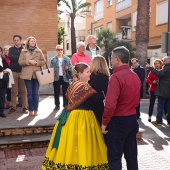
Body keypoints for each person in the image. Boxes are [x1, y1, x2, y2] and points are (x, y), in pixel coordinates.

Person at [42, 62, 108, 169]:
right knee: (84, 144)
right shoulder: (85, 87)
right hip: (84, 119)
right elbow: (98, 99)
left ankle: (71, 164)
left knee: (70, 144)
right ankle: (84, 164)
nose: (89, 74)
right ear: (80, 74)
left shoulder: (73, 84)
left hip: (71, 117)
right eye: (87, 72)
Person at [101, 46, 141, 170]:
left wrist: (104, 123)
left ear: (117, 59)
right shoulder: (134, 76)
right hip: (132, 119)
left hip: (118, 121)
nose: (111, 61)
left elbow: (111, 105)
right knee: (131, 157)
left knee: (114, 158)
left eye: (111, 58)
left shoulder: (116, 77)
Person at [18, 36, 45, 116]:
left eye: (34, 41)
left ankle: (36, 110)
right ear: (28, 42)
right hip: (27, 74)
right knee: (29, 93)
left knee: (35, 93)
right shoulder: (23, 51)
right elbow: (20, 62)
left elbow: (44, 61)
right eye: (31, 41)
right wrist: (28, 61)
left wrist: (37, 62)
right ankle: (30, 109)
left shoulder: (38, 51)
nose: (33, 42)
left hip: (36, 74)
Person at [146, 56, 170, 126]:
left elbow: (160, 74)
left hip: (163, 90)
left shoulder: (166, 68)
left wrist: (150, 68)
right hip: (165, 90)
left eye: (163, 61)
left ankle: (159, 121)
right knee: (168, 105)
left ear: (166, 61)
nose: (163, 62)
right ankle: (168, 121)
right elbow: (148, 80)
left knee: (161, 105)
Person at [8, 35, 27, 114]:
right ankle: (13, 107)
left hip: (22, 72)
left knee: (23, 91)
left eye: (17, 40)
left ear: (20, 41)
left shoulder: (24, 49)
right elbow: (10, 57)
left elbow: (25, 58)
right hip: (14, 72)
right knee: (14, 91)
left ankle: (25, 107)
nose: (16, 41)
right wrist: (19, 57)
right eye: (15, 40)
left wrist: (16, 57)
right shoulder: (11, 49)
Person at [50, 45, 72, 110]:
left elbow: (71, 67)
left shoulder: (67, 58)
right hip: (56, 77)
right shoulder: (53, 59)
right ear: (56, 50)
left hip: (65, 78)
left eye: (61, 49)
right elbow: (50, 69)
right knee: (56, 92)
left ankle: (65, 105)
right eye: (58, 49)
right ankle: (57, 105)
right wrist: (50, 79)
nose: (60, 51)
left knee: (65, 92)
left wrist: (68, 67)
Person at [89, 55, 110, 125]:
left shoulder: (97, 78)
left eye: (91, 62)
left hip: (96, 110)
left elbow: (97, 95)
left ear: (96, 64)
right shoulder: (104, 77)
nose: (89, 63)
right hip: (101, 109)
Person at [0, 47, 10, 118]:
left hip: (2, 80)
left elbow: (8, 68)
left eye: (0, 51)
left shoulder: (3, 59)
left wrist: (6, 71)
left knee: (2, 96)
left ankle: (1, 111)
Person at [3, 45, 11, 109]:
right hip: (4, 76)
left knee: (10, 90)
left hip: (11, 76)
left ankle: (8, 103)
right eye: (5, 50)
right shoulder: (2, 58)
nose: (6, 51)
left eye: (7, 50)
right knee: (5, 90)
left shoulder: (12, 58)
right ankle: (5, 103)